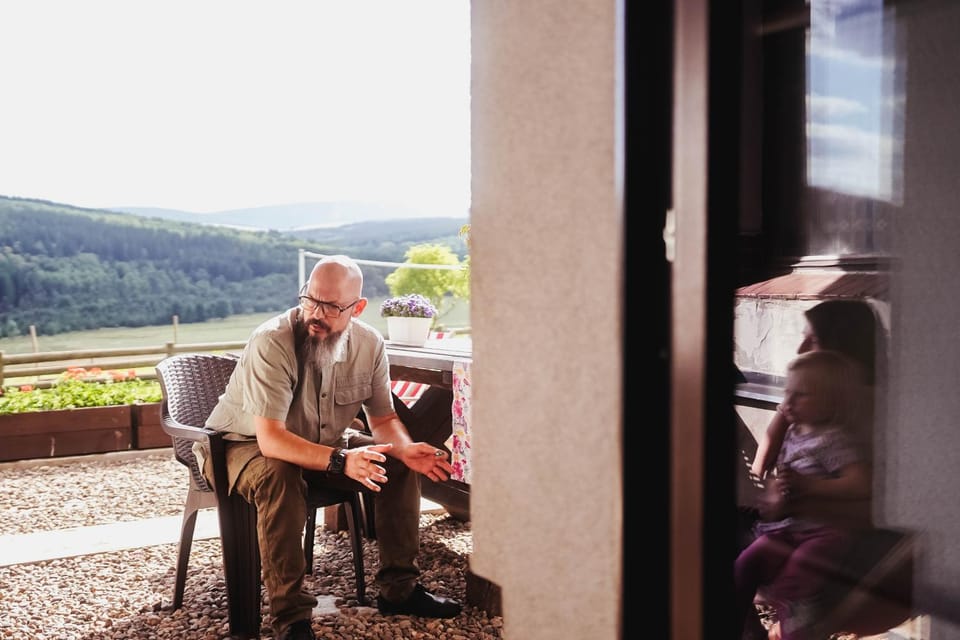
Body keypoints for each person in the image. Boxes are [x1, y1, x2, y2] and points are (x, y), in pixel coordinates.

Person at [198, 254, 462, 640]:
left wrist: (405, 449)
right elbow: (271, 440)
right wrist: (341, 462)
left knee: (397, 463)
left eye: (332, 306)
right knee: (279, 473)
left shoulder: (369, 344)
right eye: (311, 299)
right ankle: (291, 618)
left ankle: (399, 589)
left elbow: (384, 419)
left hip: (322, 443)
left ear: (358, 308)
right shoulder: (273, 340)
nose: (316, 314)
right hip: (241, 447)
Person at [735, 350, 873, 640]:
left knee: (796, 580)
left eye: (801, 395)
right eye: (787, 392)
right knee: (745, 565)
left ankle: (792, 624)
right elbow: (766, 471)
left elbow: (860, 483)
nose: (789, 401)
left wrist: (811, 486)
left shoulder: (834, 439)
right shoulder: (794, 431)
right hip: (787, 529)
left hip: (821, 533)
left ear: (830, 403)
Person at [750, 299, 883, 481]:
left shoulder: (868, 408)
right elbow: (765, 454)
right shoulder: (803, 397)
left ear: (841, 346)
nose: (800, 350)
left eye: (813, 341)